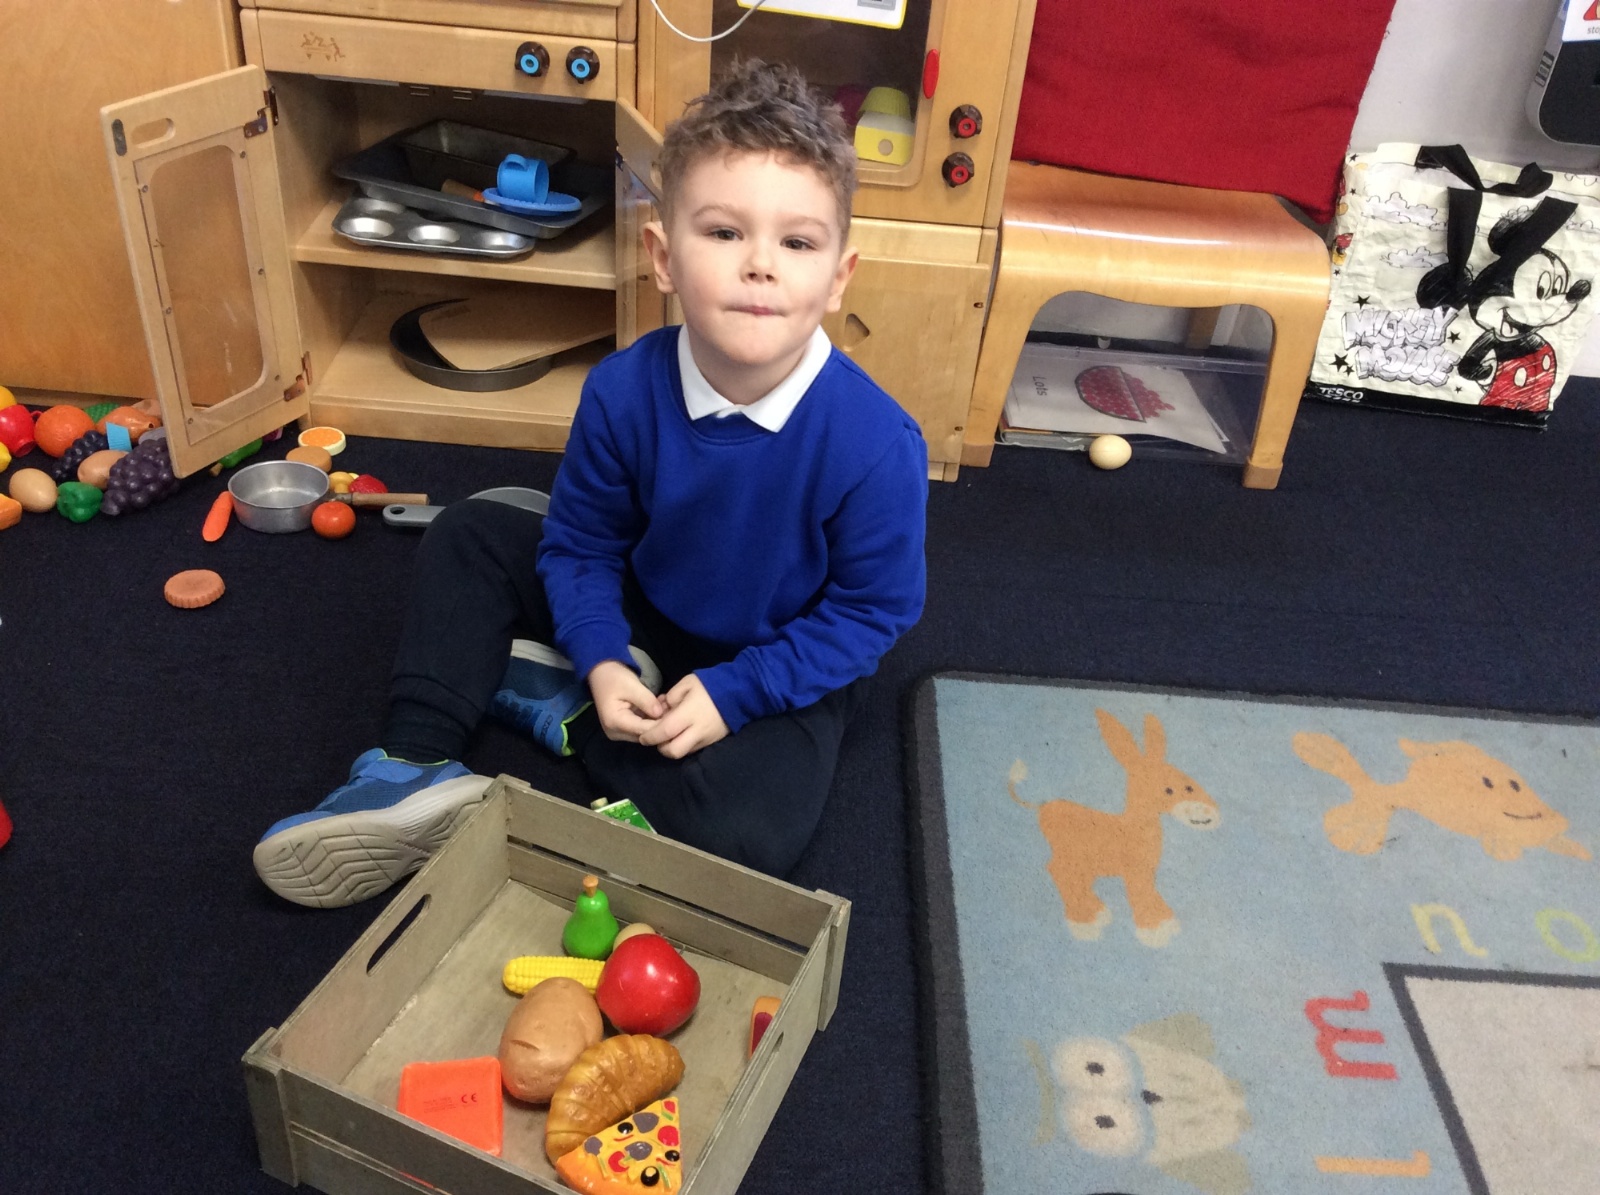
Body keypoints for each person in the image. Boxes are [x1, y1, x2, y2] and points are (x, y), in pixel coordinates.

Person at [253, 59, 928, 908]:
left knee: (753, 835)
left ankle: (560, 705)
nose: (761, 265)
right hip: (648, 604)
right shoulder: (622, 389)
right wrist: (605, 655)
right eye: (724, 233)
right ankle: (410, 764)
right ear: (664, 257)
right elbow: (581, 545)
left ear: (837, 278)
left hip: (777, 652)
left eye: (797, 243)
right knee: (470, 531)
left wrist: (737, 692)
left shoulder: (878, 443)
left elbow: (870, 612)